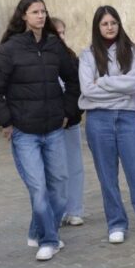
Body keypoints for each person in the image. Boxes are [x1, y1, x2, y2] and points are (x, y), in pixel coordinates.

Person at [0, 0, 79, 261]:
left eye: (44, 11)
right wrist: (7, 121)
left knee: (59, 189)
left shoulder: (53, 46)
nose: (41, 16)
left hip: (54, 130)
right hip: (25, 133)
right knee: (38, 189)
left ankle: (38, 230)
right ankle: (49, 240)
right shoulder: (10, 49)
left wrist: (67, 113)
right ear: (23, 16)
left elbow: (73, 80)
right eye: (35, 12)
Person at [79, 6, 135, 244]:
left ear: (119, 24)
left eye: (113, 23)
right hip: (98, 120)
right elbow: (87, 89)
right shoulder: (87, 55)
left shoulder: (132, 51)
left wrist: (103, 81)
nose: (109, 27)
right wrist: (119, 89)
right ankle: (116, 224)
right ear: (97, 27)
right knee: (107, 176)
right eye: (105, 24)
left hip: (128, 119)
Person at [53, 17, 86, 228]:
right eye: (57, 33)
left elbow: (78, 88)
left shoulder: (72, 58)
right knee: (55, 170)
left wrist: (70, 113)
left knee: (74, 167)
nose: (62, 37)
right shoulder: (42, 58)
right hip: (48, 124)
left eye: (64, 33)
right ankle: (57, 210)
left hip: (70, 121)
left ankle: (74, 210)